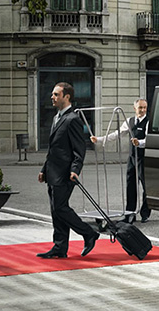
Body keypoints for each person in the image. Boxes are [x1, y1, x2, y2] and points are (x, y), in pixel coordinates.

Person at [36, 82, 100, 259]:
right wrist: (44, 169)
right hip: (52, 172)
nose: (52, 97)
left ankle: (89, 233)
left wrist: (75, 170)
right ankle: (59, 247)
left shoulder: (73, 119)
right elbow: (54, 149)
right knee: (55, 210)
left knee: (61, 208)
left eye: (56, 94)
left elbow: (79, 149)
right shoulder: (57, 117)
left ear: (67, 97)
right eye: (53, 94)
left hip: (65, 173)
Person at [90, 99, 151, 224]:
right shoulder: (129, 121)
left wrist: (139, 142)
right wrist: (99, 139)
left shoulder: (149, 122)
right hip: (132, 158)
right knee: (130, 185)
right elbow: (117, 134)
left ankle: (145, 213)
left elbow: (149, 139)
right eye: (140, 107)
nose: (143, 110)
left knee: (146, 187)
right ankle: (130, 214)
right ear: (134, 108)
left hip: (144, 158)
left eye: (145, 107)